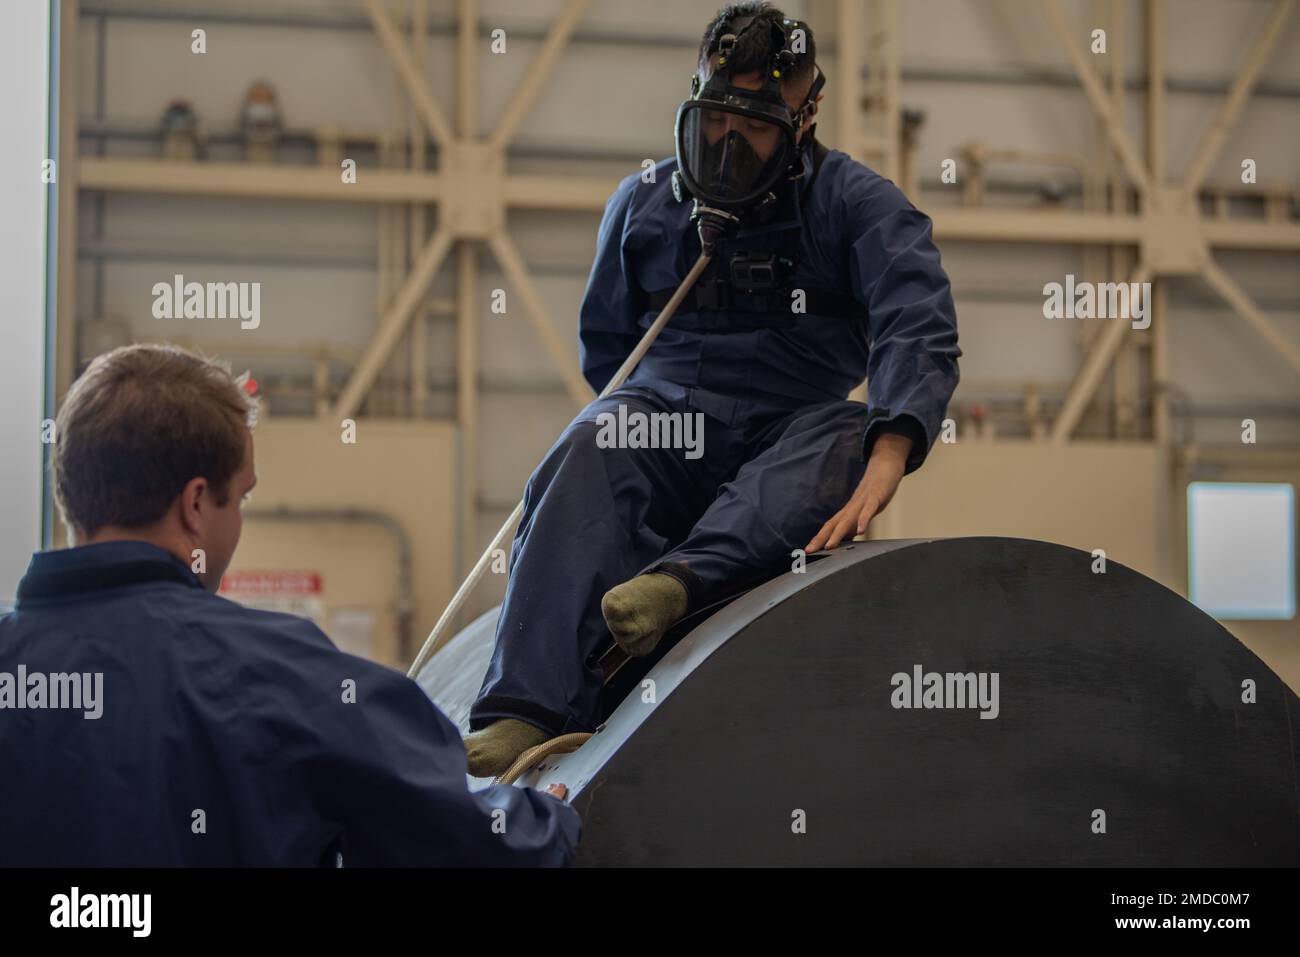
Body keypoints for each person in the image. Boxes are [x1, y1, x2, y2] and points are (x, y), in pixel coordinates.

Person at [464, 2, 962, 776]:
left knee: (845, 435)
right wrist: (646, 444)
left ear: (805, 117)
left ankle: (677, 583)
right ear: (693, 96)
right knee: (598, 435)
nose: (729, 145)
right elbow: (612, 350)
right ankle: (522, 710)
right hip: (668, 411)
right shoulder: (641, 206)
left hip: (790, 422)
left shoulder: (857, 206)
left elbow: (917, 316)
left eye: (757, 127)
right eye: (716, 119)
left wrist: (895, 442)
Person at [0, 344, 579, 866]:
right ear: (196, 504)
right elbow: (466, 840)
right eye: (243, 498)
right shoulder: (266, 671)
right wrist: (543, 820)